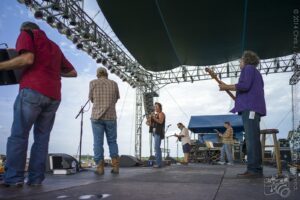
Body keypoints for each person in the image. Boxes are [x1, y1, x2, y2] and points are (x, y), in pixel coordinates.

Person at [0, 22, 77, 187]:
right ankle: (35, 180)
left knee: (19, 136)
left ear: (24, 29)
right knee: (42, 140)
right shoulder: (55, 47)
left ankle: (14, 179)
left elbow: (27, 59)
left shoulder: (27, 34)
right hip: (53, 96)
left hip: (33, 90)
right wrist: (53, 70)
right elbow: (72, 72)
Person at [219, 50, 266, 178]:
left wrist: (226, 86)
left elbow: (244, 86)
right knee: (253, 139)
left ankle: (253, 170)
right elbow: (248, 89)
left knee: (251, 140)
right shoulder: (256, 73)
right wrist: (229, 88)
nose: (239, 62)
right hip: (254, 109)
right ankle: (256, 168)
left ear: (246, 60)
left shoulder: (248, 69)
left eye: (240, 60)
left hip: (250, 109)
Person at [89, 67, 120, 175]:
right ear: (107, 74)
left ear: (97, 74)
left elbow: (91, 99)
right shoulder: (114, 84)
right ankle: (115, 166)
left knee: (98, 142)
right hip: (111, 116)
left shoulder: (92, 83)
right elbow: (116, 99)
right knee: (112, 141)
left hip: (96, 117)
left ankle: (100, 168)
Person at [151, 102, 165, 168]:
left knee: (157, 148)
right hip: (155, 132)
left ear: (160, 107)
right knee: (156, 148)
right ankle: (158, 163)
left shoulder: (161, 114)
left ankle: (158, 163)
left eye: (156, 106)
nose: (155, 107)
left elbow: (160, 121)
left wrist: (154, 118)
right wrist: (149, 120)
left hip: (158, 132)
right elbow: (150, 124)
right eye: (155, 106)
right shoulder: (156, 115)